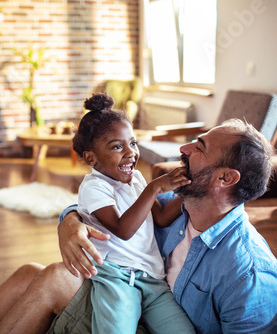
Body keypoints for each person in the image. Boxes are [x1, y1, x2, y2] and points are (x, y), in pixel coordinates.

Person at [0, 118, 277, 334]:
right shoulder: (182, 208)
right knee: (30, 271)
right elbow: (107, 209)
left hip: (145, 316)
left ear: (225, 178)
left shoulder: (248, 272)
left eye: (199, 147)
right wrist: (70, 221)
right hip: (127, 296)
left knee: (52, 278)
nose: (182, 148)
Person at [65, 93, 194, 333]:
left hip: (154, 279)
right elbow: (123, 229)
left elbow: (162, 217)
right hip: (116, 279)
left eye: (133, 143)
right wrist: (155, 186)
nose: (130, 153)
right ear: (91, 157)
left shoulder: (135, 178)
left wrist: (189, 190)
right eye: (117, 146)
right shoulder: (94, 187)